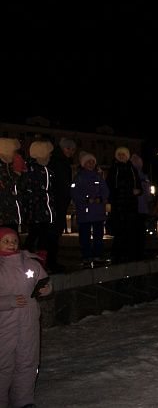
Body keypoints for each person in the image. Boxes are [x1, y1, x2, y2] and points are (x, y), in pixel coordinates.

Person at [0, 227, 53, 408]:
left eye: (14, 241)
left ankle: (23, 401)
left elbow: (44, 281)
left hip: (28, 322)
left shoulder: (30, 264)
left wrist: (46, 289)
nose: (11, 244)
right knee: (3, 366)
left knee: (28, 362)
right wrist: (8, 301)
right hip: (5, 325)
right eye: (6, 241)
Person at [70, 152, 110, 267]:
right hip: (84, 212)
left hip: (97, 211)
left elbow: (105, 190)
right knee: (85, 236)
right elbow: (74, 193)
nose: (91, 164)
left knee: (98, 235)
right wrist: (86, 200)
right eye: (88, 162)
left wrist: (100, 198)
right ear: (83, 164)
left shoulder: (98, 177)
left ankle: (97, 255)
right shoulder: (78, 178)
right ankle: (86, 256)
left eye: (93, 162)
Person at [106, 146, 141, 264]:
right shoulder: (113, 169)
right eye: (119, 155)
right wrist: (112, 198)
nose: (121, 157)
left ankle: (129, 253)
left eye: (123, 155)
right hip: (118, 205)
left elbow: (138, 184)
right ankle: (117, 254)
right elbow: (109, 185)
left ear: (127, 157)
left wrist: (138, 191)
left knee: (130, 229)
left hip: (131, 204)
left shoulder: (132, 169)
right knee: (119, 230)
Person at [46, 137, 76, 273]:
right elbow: (61, 184)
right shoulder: (59, 161)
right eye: (68, 148)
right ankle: (50, 262)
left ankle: (51, 261)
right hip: (56, 202)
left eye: (73, 149)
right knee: (53, 233)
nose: (70, 151)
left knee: (54, 233)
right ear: (62, 148)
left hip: (59, 202)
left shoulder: (62, 161)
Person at [23, 140, 55, 260]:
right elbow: (28, 190)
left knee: (43, 237)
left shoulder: (46, 169)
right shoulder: (31, 169)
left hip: (44, 209)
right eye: (48, 152)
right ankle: (27, 259)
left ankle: (42, 261)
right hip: (36, 210)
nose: (50, 155)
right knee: (34, 235)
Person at [0, 138, 27, 233]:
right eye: (14, 151)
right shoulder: (3, 166)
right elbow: (7, 186)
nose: (16, 154)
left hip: (12, 211)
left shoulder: (10, 165)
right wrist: (17, 173)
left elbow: (20, 187)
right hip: (3, 213)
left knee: (13, 234)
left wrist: (24, 172)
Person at [130, 154, 152, 261]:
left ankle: (137, 251)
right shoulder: (142, 176)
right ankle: (139, 251)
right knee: (139, 231)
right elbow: (148, 194)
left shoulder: (142, 176)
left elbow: (148, 193)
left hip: (139, 208)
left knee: (137, 231)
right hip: (139, 208)